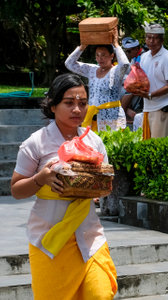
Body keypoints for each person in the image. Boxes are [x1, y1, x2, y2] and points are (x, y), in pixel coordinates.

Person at [10, 73, 117, 299]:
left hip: (90, 235)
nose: (77, 110)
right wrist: (41, 178)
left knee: (101, 294)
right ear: (52, 106)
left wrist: (94, 187)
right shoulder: (35, 143)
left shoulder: (94, 142)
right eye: (69, 103)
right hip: (50, 240)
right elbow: (16, 189)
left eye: (83, 103)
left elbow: (107, 184)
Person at [65, 29, 130, 131]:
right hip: (93, 117)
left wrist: (116, 44)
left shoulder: (115, 71)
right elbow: (69, 64)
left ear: (112, 56)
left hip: (113, 117)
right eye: (97, 55)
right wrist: (82, 47)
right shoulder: (92, 69)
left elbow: (125, 64)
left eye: (103, 55)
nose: (100, 58)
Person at [133, 23, 168, 139]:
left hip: (162, 107)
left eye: (155, 38)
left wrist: (151, 95)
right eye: (148, 37)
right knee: (147, 144)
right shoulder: (144, 57)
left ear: (162, 40)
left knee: (158, 144)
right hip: (147, 106)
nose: (151, 41)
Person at [121, 36, 145, 126]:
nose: (127, 54)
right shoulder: (134, 58)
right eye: (126, 51)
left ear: (136, 49)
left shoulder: (142, 57)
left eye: (129, 51)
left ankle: (123, 114)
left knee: (129, 90)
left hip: (143, 83)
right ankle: (127, 111)